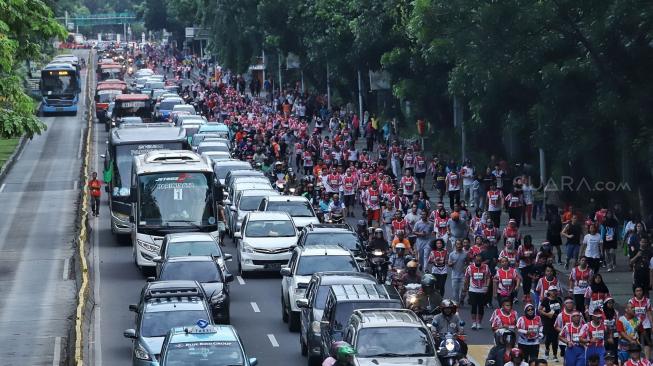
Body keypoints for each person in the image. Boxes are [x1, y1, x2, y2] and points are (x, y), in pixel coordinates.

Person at [464, 253, 491, 330]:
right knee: (474, 306)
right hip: (473, 289)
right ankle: (474, 322)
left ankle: (479, 322)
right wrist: (465, 289)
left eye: (480, 260)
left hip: (482, 290)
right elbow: (466, 279)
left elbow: (489, 277)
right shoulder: (470, 268)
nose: (478, 261)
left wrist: (487, 286)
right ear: (474, 260)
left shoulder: (486, 267)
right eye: (477, 260)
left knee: (481, 306)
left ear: (481, 261)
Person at [628, 286, 653, 359]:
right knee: (636, 342)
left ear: (642, 291)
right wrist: (635, 324)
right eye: (637, 291)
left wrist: (652, 324)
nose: (639, 292)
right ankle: (636, 360)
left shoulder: (647, 301)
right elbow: (630, 313)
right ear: (635, 292)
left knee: (647, 343)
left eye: (640, 290)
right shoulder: (631, 301)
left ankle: (647, 360)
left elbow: (649, 313)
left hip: (646, 324)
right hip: (635, 324)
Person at [539, 286, 563, 361]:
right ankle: (547, 350)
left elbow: (561, 309)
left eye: (555, 291)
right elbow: (540, 310)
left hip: (557, 322)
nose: (554, 292)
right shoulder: (546, 300)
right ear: (548, 292)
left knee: (555, 338)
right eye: (552, 291)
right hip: (548, 322)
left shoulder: (558, 299)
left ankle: (555, 355)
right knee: (549, 338)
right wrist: (547, 314)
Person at [449, 239, 468, 304]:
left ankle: (462, 299)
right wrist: (451, 264)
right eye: (457, 244)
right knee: (455, 291)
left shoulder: (465, 254)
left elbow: (468, 263)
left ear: (462, 245)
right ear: (455, 245)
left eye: (460, 244)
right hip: (454, 275)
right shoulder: (451, 254)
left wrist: (466, 267)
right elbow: (449, 264)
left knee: (464, 290)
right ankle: (456, 303)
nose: (459, 245)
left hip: (463, 275)